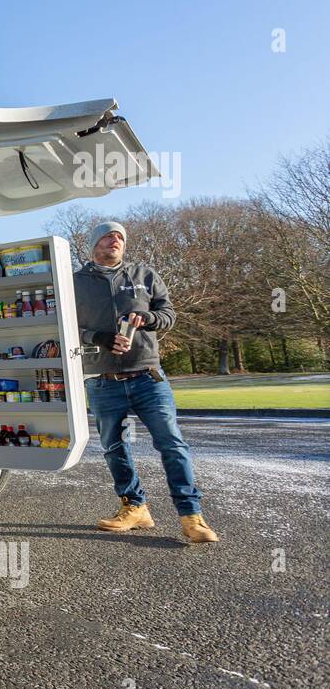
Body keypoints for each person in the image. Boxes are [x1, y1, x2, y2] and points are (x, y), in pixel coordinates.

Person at [73, 221, 218, 543]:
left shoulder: (143, 275)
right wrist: (97, 336)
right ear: (94, 244)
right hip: (102, 380)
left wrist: (150, 318)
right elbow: (63, 325)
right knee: (114, 448)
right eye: (109, 236)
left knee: (172, 443)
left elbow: (168, 314)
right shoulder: (74, 282)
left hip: (148, 377)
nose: (116, 240)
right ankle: (135, 507)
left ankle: (192, 517)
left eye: (120, 237)